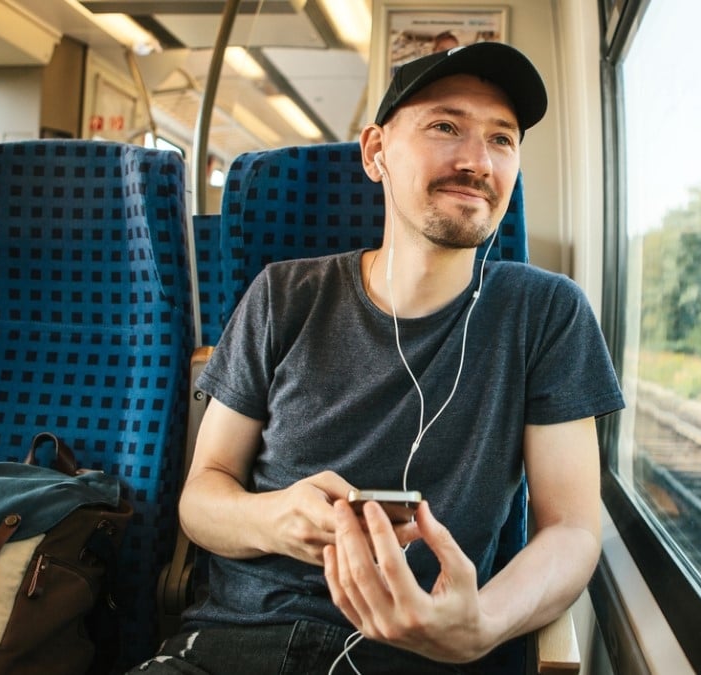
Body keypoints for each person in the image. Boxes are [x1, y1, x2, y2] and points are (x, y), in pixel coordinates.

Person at [134, 42, 624, 674]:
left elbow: (573, 530)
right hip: (241, 643)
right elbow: (201, 500)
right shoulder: (283, 294)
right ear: (375, 153)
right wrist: (273, 519)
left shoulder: (546, 314)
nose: (477, 161)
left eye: (502, 140)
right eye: (445, 126)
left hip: (423, 655)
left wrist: (483, 623)